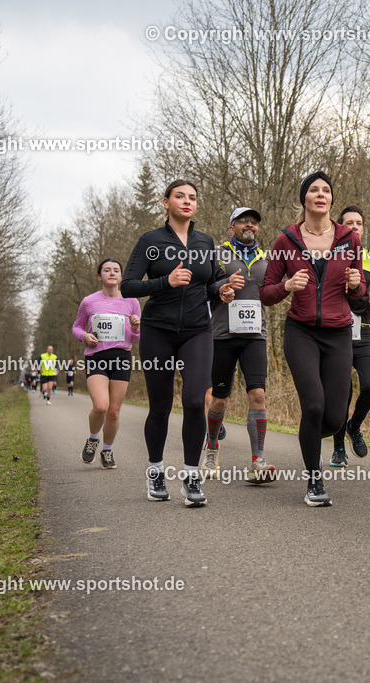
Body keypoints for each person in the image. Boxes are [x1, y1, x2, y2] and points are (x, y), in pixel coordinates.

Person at [121, 180, 236, 507]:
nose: (187, 201)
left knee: (193, 398)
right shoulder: (151, 241)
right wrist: (164, 282)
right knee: (160, 405)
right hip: (158, 330)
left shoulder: (205, 241)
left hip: (198, 331)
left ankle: (190, 477)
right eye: (180, 196)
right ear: (166, 202)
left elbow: (211, 284)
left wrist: (223, 290)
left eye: (192, 198)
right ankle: (155, 471)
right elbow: (128, 286)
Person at [259, 172, 366, 506]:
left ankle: (309, 436)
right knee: (314, 405)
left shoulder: (350, 239)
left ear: (331, 200)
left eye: (327, 191)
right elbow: (266, 293)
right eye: (314, 190)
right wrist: (287, 287)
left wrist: (355, 284)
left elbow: (360, 293)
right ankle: (314, 480)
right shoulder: (285, 241)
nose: (321, 194)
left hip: (338, 334)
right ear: (304, 198)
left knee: (334, 417)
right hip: (301, 332)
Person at [203, 206, 275, 484]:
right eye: (243, 220)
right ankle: (211, 449)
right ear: (230, 228)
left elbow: (273, 292)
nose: (250, 224)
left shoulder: (267, 260)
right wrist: (221, 287)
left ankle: (258, 460)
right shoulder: (217, 254)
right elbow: (202, 289)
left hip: (255, 336)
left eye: (254, 222)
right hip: (222, 335)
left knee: (258, 395)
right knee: (220, 400)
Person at [71, 259, 142, 469]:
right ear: (99, 276)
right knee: (101, 406)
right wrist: (85, 336)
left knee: (113, 411)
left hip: (121, 357)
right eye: (107, 270)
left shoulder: (132, 301)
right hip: (96, 357)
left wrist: (137, 326)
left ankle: (107, 451)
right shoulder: (89, 301)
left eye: (116, 270)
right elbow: (76, 327)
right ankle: (93, 438)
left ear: (121, 277)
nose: (112, 273)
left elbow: (138, 336)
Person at [330, 205, 370, 468]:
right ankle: (338, 446)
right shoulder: (330, 254)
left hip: (364, 330)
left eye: (359, 223)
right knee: (343, 391)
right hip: (336, 330)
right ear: (340, 227)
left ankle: (354, 426)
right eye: (349, 223)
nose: (354, 227)